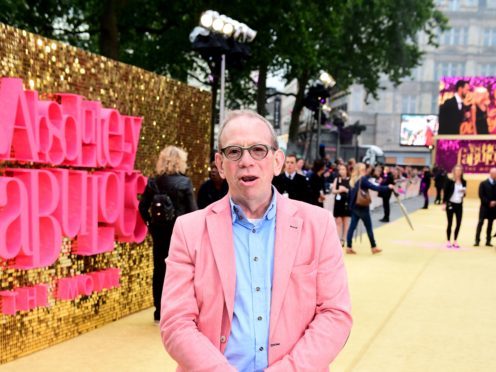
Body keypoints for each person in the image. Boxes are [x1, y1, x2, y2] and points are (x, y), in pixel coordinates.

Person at [160, 110, 352, 371]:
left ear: (277, 161)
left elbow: (334, 314)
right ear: (220, 164)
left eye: (258, 150)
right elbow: (176, 322)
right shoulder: (189, 229)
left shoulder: (318, 225)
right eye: (234, 151)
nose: (246, 161)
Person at [138, 146, 198, 322]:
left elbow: (142, 207)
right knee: (181, 271)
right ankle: (177, 310)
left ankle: (159, 311)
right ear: (180, 161)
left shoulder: (154, 182)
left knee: (159, 269)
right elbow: (193, 211)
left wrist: (151, 224)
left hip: (159, 232)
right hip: (180, 233)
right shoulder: (184, 183)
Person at [346, 162, 395, 255]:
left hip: (355, 206)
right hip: (363, 207)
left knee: (352, 227)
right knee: (368, 227)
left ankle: (349, 246)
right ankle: (373, 246)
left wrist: (350, 206)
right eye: (364, 169)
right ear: (360, 170)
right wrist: (387, 187)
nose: (365, 171)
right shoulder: (363, 179)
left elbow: (350, 195)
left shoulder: (352, 179)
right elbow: (374, 187)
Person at [443, 165, 466, 248]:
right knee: (450, 223)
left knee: (458, 223)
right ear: (454, 171)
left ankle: (455, 240)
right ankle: (448, 241)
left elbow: (464, 194)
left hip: (459, 204)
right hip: (450, 204)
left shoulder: (464, 181)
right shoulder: (449, 181)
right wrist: (444, 203)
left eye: (460, 170)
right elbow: (445, 192)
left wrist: (463, 192)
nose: (458, 172)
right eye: (456, 170)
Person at [474, 168, 496, 247]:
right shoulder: (483, 183)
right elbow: (481, 195)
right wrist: (488, 202)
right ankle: (477, 240)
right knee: (480, 223)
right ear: (491, 173)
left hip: (493, 208)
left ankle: (488, 240)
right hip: (484, 207)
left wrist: (494, 202)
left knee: (490, 224)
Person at [331, 164, 351, 245]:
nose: (342, 171)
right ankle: (338, 239)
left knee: (346, 221)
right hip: (338, 203)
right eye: (340, 169)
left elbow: (352, 191)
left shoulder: (350, 180)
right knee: (338, 221)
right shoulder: (337, 179)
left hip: (347, 202)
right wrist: (339, 190)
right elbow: (333, 191)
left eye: (344, 169)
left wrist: (345, 190)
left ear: (347, 170)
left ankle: (344, 239)